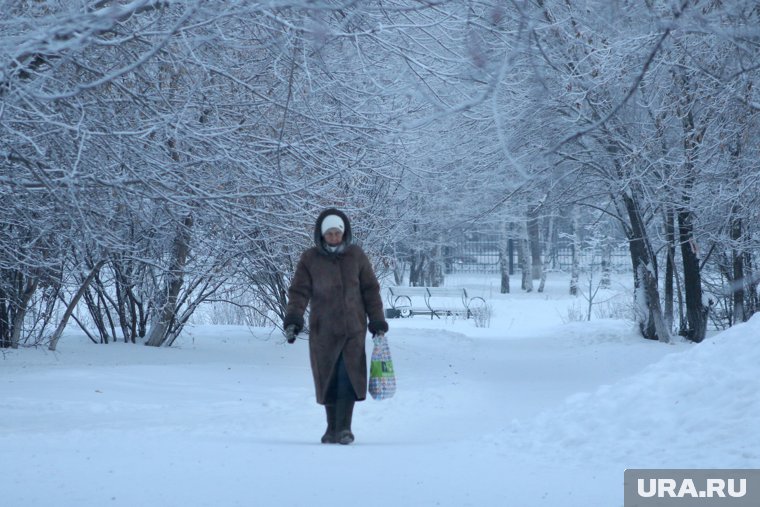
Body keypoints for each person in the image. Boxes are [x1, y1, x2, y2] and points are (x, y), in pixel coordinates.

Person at [283, 208, 388, 445]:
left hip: (353, 329)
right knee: (328, 378)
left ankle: (345, 429)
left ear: (344, 233)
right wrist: (293, 319)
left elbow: (370, 290)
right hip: (324, 330)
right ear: (322, 235)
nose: (333, 237)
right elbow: (299, 291)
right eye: (329, 233)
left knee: (347, 378)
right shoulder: (310, 259)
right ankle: (331, 428)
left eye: (337, 232)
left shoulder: (356, 256)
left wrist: (377, 321)